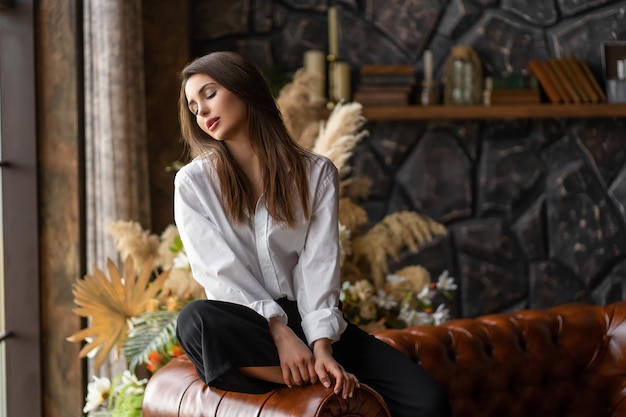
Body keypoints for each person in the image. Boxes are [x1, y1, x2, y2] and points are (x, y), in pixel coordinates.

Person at [174, 51, 451, 417]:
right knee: (196, 321)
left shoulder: (316, 174)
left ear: (244, 88)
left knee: (428, 401)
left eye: (209, 94)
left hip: (311, 319)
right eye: (193, 106)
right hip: (248, 326)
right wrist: (278, 332)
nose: (202, 111)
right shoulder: (193, 184)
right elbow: (219, 271)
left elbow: (318, 265)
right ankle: (312, 377)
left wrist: (321, 346)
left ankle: (316, 368)